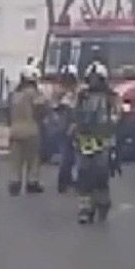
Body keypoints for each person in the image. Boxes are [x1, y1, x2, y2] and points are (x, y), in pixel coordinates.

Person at [72, 61, 122, 224]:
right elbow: (74, 114)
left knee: (101, 175)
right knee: (84, 176)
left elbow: (118, 115)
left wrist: (111, 125)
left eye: (97, 79)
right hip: (84, 141)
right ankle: (85, 209)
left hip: (103, 142)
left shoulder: (111, 96)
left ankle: (102, 203)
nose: (94, 82)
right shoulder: (81, 96)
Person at [7, 63, 48, 195]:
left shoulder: (14, 94)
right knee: (33, 158)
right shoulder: (33, 93)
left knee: (16, 160)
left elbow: (7, 112)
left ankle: (15, 182)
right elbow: (41, 108)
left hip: (15, 131)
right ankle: (32, 181)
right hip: (31, 130)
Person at [53, 64, 81, 193]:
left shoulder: (74, 92)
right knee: (67, 156)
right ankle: (64, 182)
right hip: (66, 128)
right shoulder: (62, 93)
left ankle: (67, 180)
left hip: (68, 128)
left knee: (71, 156)